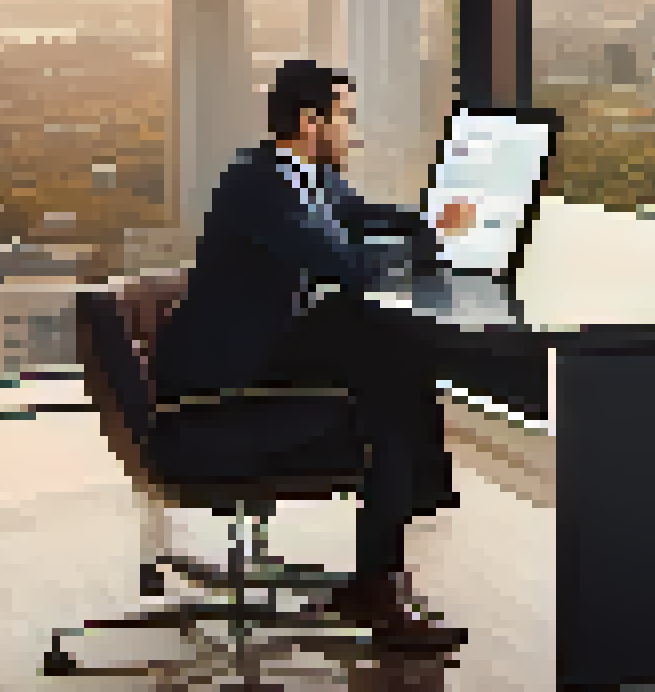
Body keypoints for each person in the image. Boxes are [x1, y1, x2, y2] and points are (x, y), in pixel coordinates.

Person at [149, 60, 480, 649]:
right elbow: (343, 262)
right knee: (387, 375)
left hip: (267, 347)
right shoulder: (257, 185)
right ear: (311, 120)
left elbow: (367, 218)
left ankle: (381, 572)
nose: (353, 131)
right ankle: (385, 572)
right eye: (346, 117)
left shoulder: (307, 177)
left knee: (389, 353)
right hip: (224, 382)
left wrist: (432, 224)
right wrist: (427, 246)